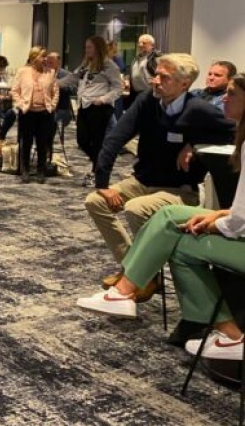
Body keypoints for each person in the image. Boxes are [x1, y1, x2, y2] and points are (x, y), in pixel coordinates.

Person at [77, 74, 245, 355]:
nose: (223, 98)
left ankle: (127, 289)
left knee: (179, 244)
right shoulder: (148, 102)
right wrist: (222, 214)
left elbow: (239, 222)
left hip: (190, 195)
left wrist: (214, 224)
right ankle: (128, 286)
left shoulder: (203, 112)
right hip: (154, 185)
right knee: (167, 216)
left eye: (232, 93)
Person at [84, 53, 235, 300]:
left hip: (179, 190)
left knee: (135, 209)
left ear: (184, 84)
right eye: (156, 75)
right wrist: (103, 183)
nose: (155, 81)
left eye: (164, 78)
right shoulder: (147, 101)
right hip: (142, 181)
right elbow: (116, 138)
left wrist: (194, 145)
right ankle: (137, 272)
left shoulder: (198, 108)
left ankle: (138, 276)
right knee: (95, 201)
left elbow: (234, 130)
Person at [66, 36, 123, 186]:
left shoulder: (109, 66)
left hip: (100, 108)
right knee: (82, 140)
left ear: (98, 48)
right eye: (86, 47)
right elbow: (72, 78)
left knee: (97, 142)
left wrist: (103, 99)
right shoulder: (86, 64)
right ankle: (100, 163)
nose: (86, 50)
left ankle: (96, 171)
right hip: (84, 106)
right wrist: (53, 82)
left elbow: (118, 88)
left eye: (89, 47)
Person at [11, 46, 59, 183]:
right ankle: (25, 170)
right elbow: (15, 90)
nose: (45, 59)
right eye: (42, 56)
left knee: (42, 143)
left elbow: (55, 92)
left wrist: (52, 106)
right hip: (27, 112)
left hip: (44, 113)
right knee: (26, 142)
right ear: (34, 57)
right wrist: (20, 104)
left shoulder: (50, 72)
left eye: (45, 56)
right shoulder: (23, 71)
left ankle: (41, 171)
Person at [126, 34, 161, 107]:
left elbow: (161, 75)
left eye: (144, 43)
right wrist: (127, 80)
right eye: (139, 43)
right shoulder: (136, 58)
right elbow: (131, 73)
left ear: (152, 45)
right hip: (136, 94)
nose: (140, 45)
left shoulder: (156, 58)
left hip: (150, 95)